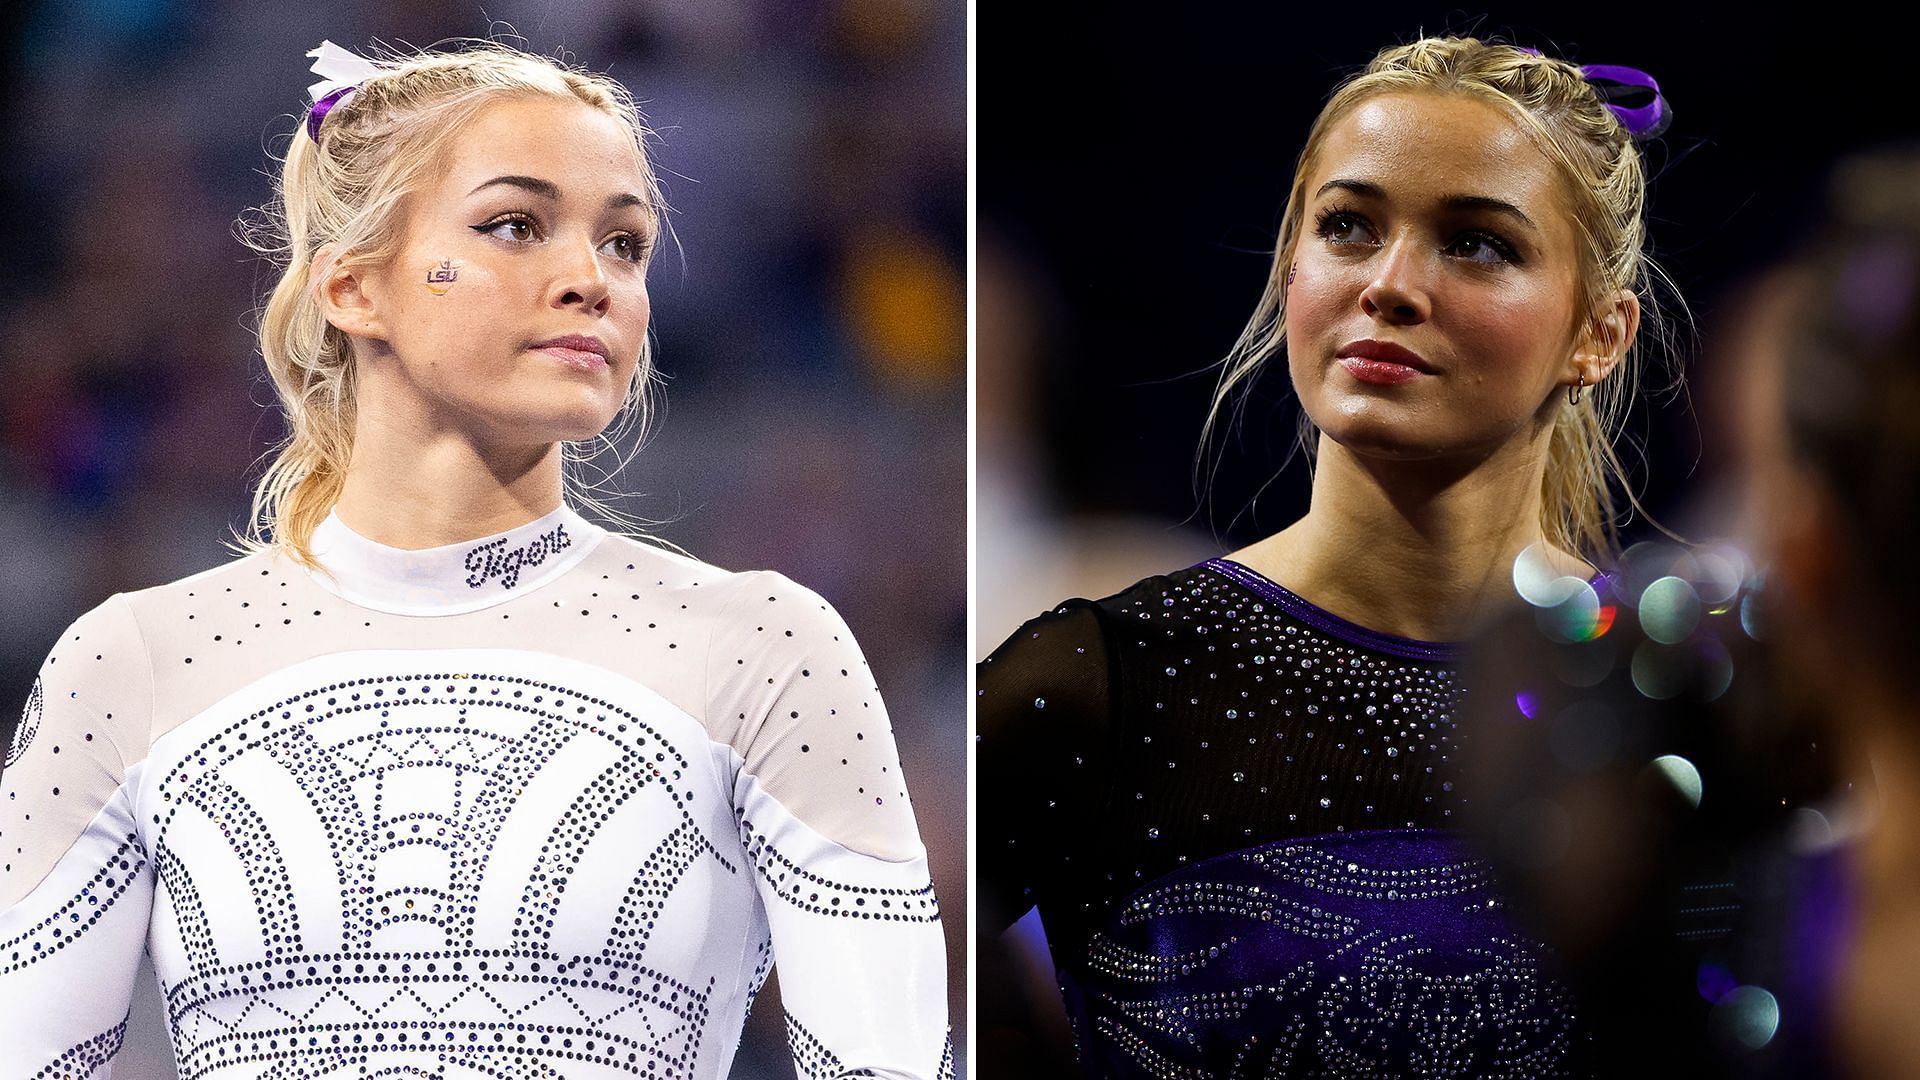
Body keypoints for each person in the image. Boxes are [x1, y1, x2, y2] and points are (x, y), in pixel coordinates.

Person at [0, 39, 951, 1078]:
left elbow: (889, 1060)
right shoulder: (134, 660)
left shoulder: (767, 647)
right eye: (514, 226)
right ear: (355, 288)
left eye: (625, 244)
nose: (591, 280)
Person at [978, 35, 1675, 1077]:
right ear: (1289, 269)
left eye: (1476, 243)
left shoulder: (1685, 701)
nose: (1390, 284)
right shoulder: (1103, 686)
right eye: (1348, 227)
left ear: (1600, 335)